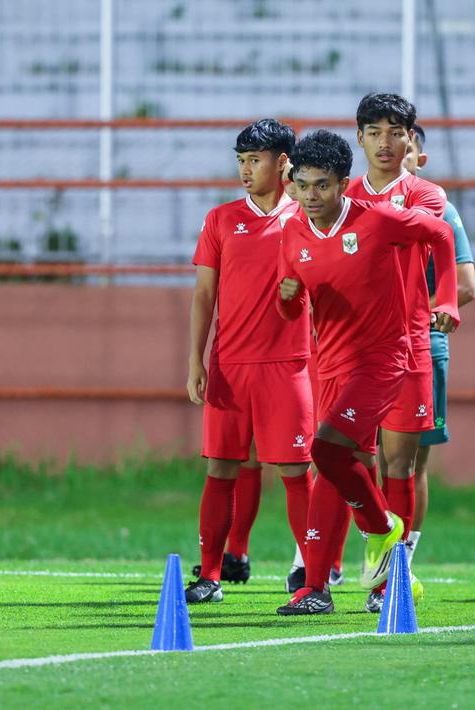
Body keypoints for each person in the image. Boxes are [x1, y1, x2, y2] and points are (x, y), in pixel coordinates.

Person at [275, 129, 460, 615]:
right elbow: (293, 307)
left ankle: (382, 530)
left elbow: (440, 234)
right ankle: (315, 588)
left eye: (322, 185)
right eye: (302, 184)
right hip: (331, 363)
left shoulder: (376, 219)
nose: (310, 196)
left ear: (342, 184)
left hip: (382, 360)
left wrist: (448, 300)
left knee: (327, 450)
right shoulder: (292, 232)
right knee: (333, 466)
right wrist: (288, 300)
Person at [184, 119, 314, 604]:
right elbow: (203, 294)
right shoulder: (220, 220)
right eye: (240, 160)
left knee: (296, 473)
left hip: (289, 366)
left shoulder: (307, 217)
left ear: (283, 163)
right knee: (221, 468)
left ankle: (315, 579)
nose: (245, 169)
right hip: (230, 366)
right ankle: (211, 575)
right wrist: (196, 361)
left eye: (254, 159)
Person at [342, 94, 450, 613]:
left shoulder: (427, 195)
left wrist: (447, 299)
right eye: (374, 131)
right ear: (359, 137)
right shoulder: (336, 193)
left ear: (411, 139)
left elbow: (431, 239)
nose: (385, 142)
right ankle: (366, 547)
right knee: (347, 455)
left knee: (400, 462)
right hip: (347, 345)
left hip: (407, 343)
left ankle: (393, 576)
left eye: (396, 131)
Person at [402, 123, 475, 569]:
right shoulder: (358, 205)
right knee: (348, 453)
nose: (393, 152)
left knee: (411, 462)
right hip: (364, 348)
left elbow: (464, 287)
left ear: (419, 159)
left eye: (405, 147)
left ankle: (402, 561)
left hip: (422, 346)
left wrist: (410, 315)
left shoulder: (440, 209)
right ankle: (323, 558)